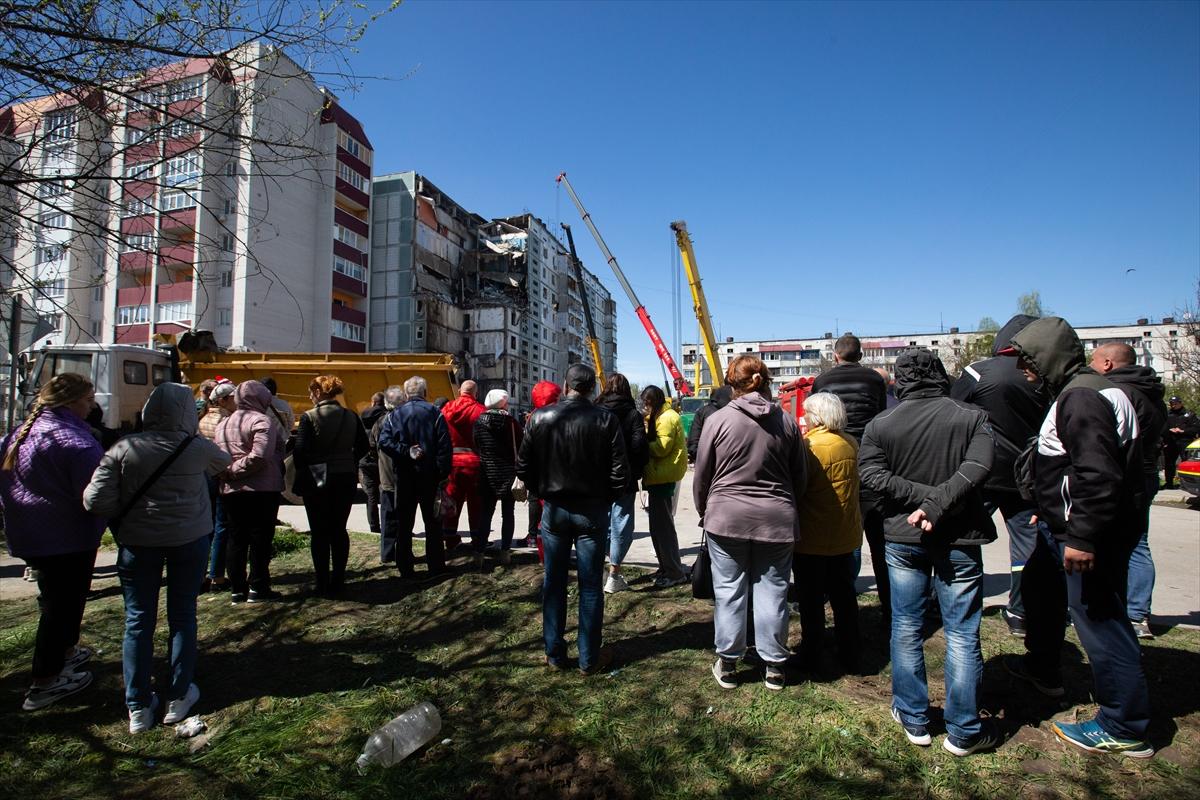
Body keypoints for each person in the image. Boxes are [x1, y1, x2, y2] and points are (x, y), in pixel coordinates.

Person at [1001, 318, 1154, 757]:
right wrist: (1053, 512)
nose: (1023, 370)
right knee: (1038, 588)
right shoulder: (1083, 391)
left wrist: (1081, 535)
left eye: (1028, 360)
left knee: (1100, 622)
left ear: (1049, 357)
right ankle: (1043, 670)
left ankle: (1123, 724)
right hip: (1061, 527)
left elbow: (1099, 474)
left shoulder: (1083, 397)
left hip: (1086, 536)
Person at [858, 347, 998, 756]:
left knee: (905, 627)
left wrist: (925, 503)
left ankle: (913, 716)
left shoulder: (881, 423)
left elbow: (870, 474)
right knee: (962, 632)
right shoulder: (971, 416)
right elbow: (979, 468)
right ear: (941, 374)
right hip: (959, 537)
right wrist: (933, 500)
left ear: (899, 381)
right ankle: (963, 730)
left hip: (904, 538)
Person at [82, 383, 231, 733]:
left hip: (138, 543)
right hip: (189, 540)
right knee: (183, 616)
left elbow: (94, 500)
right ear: (185, 412)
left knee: (137, 620)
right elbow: (223, 463)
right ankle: (179, 696)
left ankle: (138, 705)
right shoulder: (196, 448)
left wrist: (124, 511)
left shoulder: (124, 447)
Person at [694, 355, 806, 692]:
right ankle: (773, 665)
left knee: (729, 590)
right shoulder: (785, 422)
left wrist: (704, 509)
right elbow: (800, 474)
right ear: (765, 381)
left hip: (726, 516)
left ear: (732, 384)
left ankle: (728, 662)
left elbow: (702, 474)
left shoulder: (718, 420)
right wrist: (788, 503)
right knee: (773, 591)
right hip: (777, 518)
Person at [0, 374, 105, 711]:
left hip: (30, 531)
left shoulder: (20, 433)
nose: (92, 407)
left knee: (56, 601)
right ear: (71, 402)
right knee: (61, 608)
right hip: (67, 535)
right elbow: (95, 494)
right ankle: (44, 682)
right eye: (88, 400)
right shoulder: (74, 441)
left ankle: (66, 653)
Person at [517, 363, 628, 675]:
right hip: (591, 509)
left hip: (555, 507)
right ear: (592, 388)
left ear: (565, 386)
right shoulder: (605, 419)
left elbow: (523, 466)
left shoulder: (540, 417)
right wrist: (605, 499)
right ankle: (588, 658)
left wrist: (543, 490)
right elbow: (621, 472)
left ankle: (554, 653)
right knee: (590, 585)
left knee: (555, 581)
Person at [950, 314, 1050, 636]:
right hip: (1028, 474)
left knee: (963, 535)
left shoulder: (978, 371)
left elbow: (951, 411)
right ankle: (1022, 612)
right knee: (1027, 544)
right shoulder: (1044, 375)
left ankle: (962, 602)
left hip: (984, 470)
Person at [1090, 343, 1166, 638]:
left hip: (1120, 475)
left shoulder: (1115, 392)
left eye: (1094, 360)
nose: (1091, 366)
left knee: (1105, 543)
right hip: (1146, 473)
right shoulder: (1150, 391)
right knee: (1138, 543)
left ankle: (1115, 610)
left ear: (1108, 363)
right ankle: (1137, 614)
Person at [812, 334, 890, 617]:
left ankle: (842, 591)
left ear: (836, 355)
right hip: (870, 456)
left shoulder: (823, 381)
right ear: (861, 355)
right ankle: (889, 604)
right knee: (879, 537)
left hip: (838, 455)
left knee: (846, 525)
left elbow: (817, 418)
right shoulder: (874, 380)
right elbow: (881, 417)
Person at [794, 391, 861, 673]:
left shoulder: (808, 446)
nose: (805, 419)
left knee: (811, 601)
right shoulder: (851, 443)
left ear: (816, 417)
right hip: (845, 533)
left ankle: (812, 652)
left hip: (812, 536)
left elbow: (798, 489)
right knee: (844, 596)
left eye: (808, 414)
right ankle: (850, 650)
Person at [292, 375, 369, 597]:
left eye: (311, 392)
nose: (309, 396)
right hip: (344, 477)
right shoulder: (351, 416)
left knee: (319, 531)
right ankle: (339, 579)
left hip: (318, 478)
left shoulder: (309, 417)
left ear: (318, 392)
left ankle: (322, 581)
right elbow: (363, 447)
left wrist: (308, 468)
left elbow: (300, 451)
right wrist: (348, 461)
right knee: (338, 529)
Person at [215, 380, 286, 604]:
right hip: (262, 490)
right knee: (260, 539)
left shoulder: (223, 424)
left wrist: (227, 472)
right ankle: (258, 587)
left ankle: (237, 589)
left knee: (236, 538)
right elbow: (260, 456)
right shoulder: (262, 421)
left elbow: (217, 457)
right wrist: (236, 471)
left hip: (231, 491)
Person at [378, 376, 453, 578]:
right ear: (425, 392)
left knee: (404, 523)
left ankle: (405, 567)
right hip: (430, 477)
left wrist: (404, 451)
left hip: (404, 476)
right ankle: (436, 566)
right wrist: (442, 473)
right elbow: (445, 447)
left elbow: (384, 441)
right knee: (433, 524)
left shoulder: (395, 415)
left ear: (406, 393)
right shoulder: (435, 413)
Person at [595, 373, 649, 593]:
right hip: (624, 477)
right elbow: (639, 446)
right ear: (626, 390)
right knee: (622, 523)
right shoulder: (633, 415)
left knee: (601, 522)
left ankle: (599, 568)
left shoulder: (596, 412)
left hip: (598, 477)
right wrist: (637, 469)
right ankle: (614, 573)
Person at [640, 385, 688, 588]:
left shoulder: (667, 418)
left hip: (663, 476)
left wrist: (640, 443)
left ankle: (675, 571)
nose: (645, 406)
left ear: (654, 401)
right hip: (659, 476)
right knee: (657, 527)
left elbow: (661, 448)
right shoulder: (661, 416)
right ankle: (666, 567)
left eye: (647, 402)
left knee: (664, 528)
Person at [472, 389, 523, 567]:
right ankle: (505, 553)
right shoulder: (511, 422)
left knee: (486, 514)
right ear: (502, 403)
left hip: (487, 472)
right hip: (508, 473)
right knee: (508, 514)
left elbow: (476, 444)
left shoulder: (478, 422)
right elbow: (520, 444)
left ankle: (479, 552)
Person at [441, 380, 486, 553]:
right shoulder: (481, 411)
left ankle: (450, 540)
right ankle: (477, 540)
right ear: (476, 392)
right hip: (475, 463)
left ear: (460, 390)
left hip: (452, 463)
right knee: (476, 504)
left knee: (452, 502)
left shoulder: (446, 409)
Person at [199, 379, 236, 589]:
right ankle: (218, 575)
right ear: (223, 400)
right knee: (222, 526)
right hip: (220, 475)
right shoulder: (226, 421)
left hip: (204, 475)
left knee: (205, 525)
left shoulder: (202, 419)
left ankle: (199, 574)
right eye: (233, 398)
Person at [524, 380, 562, 548]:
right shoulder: (562, 415)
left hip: (536, 470)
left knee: (535, 505)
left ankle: (534, 538)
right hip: (556, 471)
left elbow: (525, 448)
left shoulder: (532, 416)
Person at [370, 386, 406, 564]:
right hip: (405, 476)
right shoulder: (406, 420)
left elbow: (372, 446)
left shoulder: (380, 422)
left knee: (388, 516)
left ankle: (387, 553)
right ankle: (403, 554)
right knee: (404, 518)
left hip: (386, 475)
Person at [358, 392, 388, 534]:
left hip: (365, 460)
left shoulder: (361, 416)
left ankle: (374, 527)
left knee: (371, 495)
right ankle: (389, 524)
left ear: (372, 402)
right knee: (386, 494)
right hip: (382, 461)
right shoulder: (386, 418)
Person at [685, 386, 732, 463]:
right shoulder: (734, 412)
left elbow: (693, 442)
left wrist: (702, 458)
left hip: (706, 462)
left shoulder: (702, 411)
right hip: (730, 463)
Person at [1162, 395, 1199, 489]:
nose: (1173, 405)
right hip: (1171, 442)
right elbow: (1162, 427)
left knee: (1186, 462)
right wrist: (1168, 430)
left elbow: (1196, 428)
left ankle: (1186, 484)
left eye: (1175, 403)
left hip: (1185, 441)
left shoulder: (1189, 414)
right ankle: (1169, 483)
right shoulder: (1167, 414)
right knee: (1169, 463)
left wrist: (1183, 431)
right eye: (1171, 404)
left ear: (1180, 403)